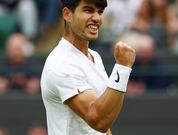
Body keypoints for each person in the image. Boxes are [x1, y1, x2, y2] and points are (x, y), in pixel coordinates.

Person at [40, 0, 136, 135]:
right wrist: (122, 67)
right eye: (88, 10)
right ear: (67, 14)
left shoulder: (94, 56)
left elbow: (104, 124)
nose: (97, 18)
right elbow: (99, 121)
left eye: (100, 12)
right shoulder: (61, 64)